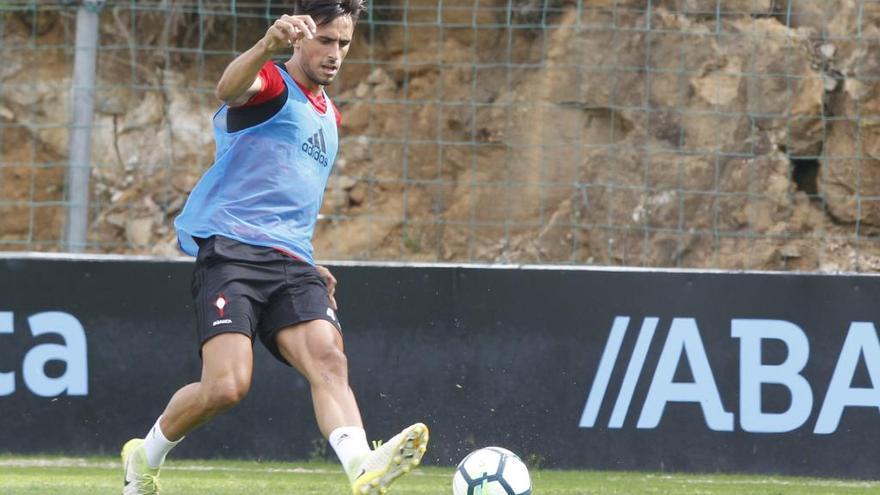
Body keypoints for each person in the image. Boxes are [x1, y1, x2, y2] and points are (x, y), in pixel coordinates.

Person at [120, 2, 429, 494]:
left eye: (343, 44)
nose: (335, 54)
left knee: (328, 358)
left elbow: (287, 194)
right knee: (226, 386)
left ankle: (364, 469)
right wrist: (267, 44)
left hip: (292, 261)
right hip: (233, 253)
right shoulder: (272, 86)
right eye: (325, 41)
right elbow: (228, 89)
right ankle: (144, 455)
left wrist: (309, 258)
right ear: (301, 36)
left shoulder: (330, 116)